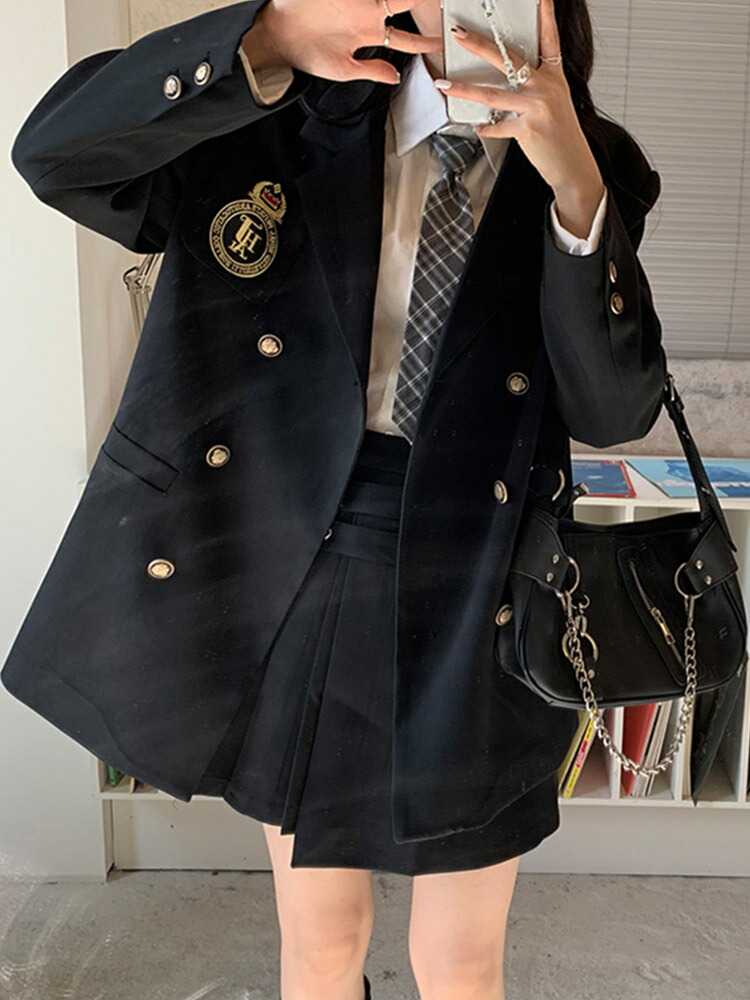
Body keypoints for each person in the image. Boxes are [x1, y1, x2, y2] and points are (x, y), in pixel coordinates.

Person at [2, 1, 665, 998]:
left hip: (482, 579)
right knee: (323, 939)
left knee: (460, 957)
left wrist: (574, 186)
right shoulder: (274, 108)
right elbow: (56, 156)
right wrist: (267, 35)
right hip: (297, 556)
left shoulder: (596, 164)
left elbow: (612, 410)